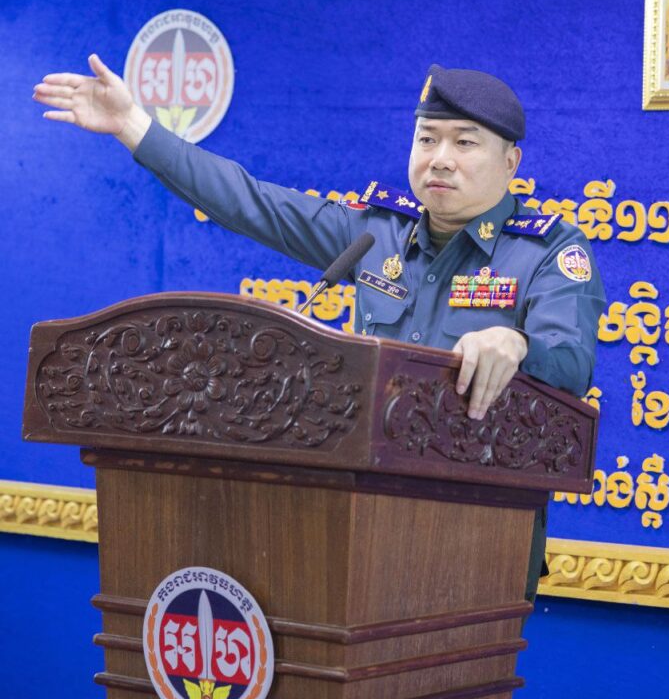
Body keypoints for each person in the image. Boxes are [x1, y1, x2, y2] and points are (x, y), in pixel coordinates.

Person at [33, 55, 605, 599]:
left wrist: (517, 342)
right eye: (427, 139)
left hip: (478, 534)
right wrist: (133, 126)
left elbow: (571, 362)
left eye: (464, 142)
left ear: (511, 163)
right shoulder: (376, 234)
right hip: (356, 525)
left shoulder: (548, 252)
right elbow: (250, 202)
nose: (440, 159)